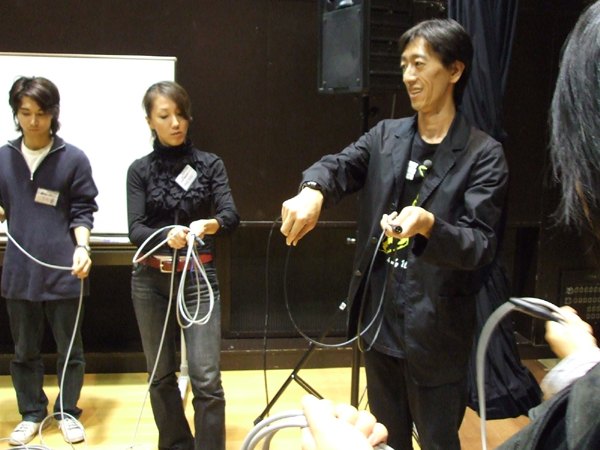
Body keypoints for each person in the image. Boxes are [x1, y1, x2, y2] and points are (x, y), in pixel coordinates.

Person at [281, 19, 509, 450]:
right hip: (379, 325)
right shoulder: (386, 135)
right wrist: (312, 191)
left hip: (436, 333)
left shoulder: (483, 154)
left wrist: (429, 226)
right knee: (384, 440)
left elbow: (481, 244)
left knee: (439, 442)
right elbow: (339, 166)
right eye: (404, 64)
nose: (407, 75)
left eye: (419, 64)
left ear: (454, 70)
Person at [127, 81, 239, 450]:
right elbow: (135, 229)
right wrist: (165, 235)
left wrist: (211, 224)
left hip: (196, 278)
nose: (175, 123)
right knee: (160, 375)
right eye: (164, 116)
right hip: (150, 281)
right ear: (150, 121)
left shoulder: (209, 164)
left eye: (181, 114)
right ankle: (176, 445)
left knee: (206, 378)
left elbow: (230, 216)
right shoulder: (139, 170)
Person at [0, 76, 98, 445]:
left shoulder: (73, 158)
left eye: (41, 113)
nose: (33, 121)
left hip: (64, 270)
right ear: (16, 113)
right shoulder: (3, 157)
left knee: (71, 350)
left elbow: (83, 211)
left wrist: (82, 248)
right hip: (19, 270)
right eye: (25, 113)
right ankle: (31, 413)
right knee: (24, 351)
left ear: (53, 114)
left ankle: (67, 412)